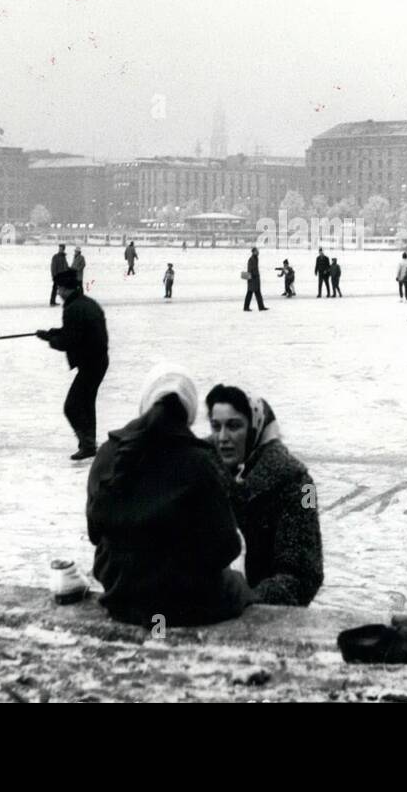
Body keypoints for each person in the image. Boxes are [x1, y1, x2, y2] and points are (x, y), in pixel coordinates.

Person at [87, 365, 252, 626]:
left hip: (121, 599)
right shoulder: (200, 461)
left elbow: (95, 533)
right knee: (238, 584)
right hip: (179, 606)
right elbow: (226, 548)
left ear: (145, 401)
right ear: (188, 412)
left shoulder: (108, 452)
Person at [205, 384, 323, 606]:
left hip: (262, 617)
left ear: (254, 428)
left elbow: (304, 574)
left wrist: (247, 601)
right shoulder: (201, 468)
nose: (222, 437)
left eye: (234, 426)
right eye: (215, 426)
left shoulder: (299, 483)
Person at [37, 268, 110, 461]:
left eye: (60, 288)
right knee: (86, 403)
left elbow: (70, 341)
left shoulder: (73, 308)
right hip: (98, 361)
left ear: (67, 289)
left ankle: (87, 445)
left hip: (91, 364)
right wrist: (54, 332)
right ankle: (89, 444)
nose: (58, 292)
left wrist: (51, 339)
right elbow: (76, 331)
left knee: (72, 406)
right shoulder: (85, 303)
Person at [243, 247, 267, 311]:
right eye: (257, 251)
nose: (258, 252)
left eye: (258, 251)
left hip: (255, 279)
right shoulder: (251, 259)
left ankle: (261, 307)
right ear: (253, 252)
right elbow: (249, 269)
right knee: (250, 293)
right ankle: (246, 307)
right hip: (252, 279)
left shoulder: (256, 258)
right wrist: (252, 276)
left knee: (257, 293)